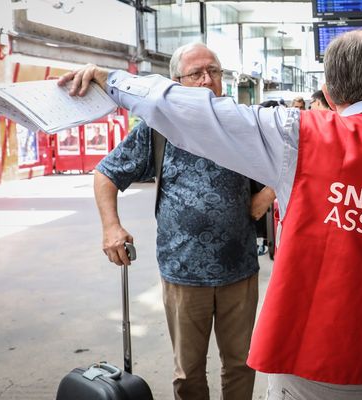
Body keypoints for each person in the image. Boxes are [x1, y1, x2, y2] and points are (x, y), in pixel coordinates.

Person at [61, 29, 362, 400]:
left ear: (331, 91)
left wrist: (110, 79)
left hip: (308, 367)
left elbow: (197, 112)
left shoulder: (298, 136)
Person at [92, 43, 274, 400]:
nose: (208, 81)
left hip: (240, 269)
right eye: (196, 74)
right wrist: (111, 226)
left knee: (241, 363)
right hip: (183, 272)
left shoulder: (241, 122)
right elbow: (106, 173)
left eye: (214, 72)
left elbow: (287, 159)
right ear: (175, 83)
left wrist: (265, 196)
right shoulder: (158, 129)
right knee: (188, 371)